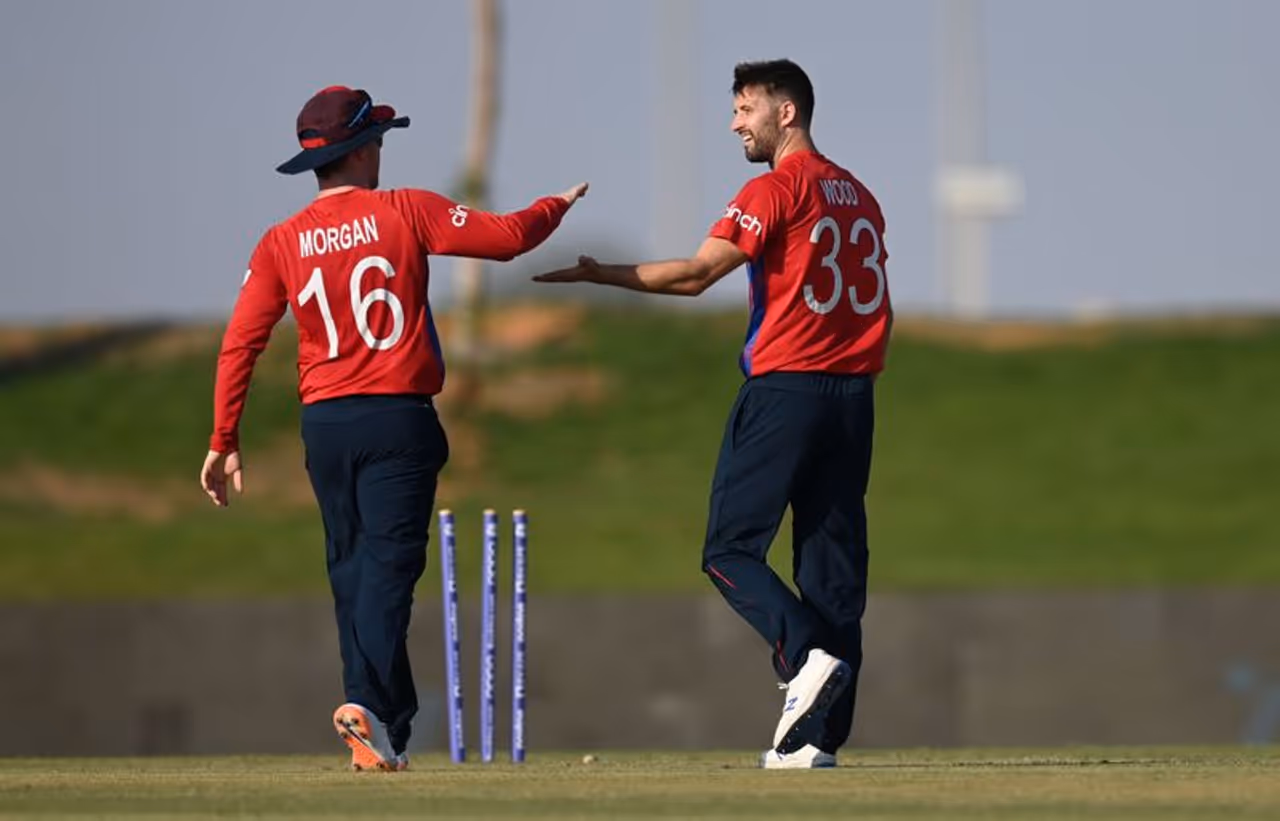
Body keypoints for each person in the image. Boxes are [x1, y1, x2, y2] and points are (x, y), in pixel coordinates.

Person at [199, 85, 587, 771]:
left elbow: (240, 343)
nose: (381, 149)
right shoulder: (404, 209)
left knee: (353, 572)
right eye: (377, 138)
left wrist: (222, 438)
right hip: (395, 419)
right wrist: (555, 204)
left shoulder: (281, 240)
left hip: (325, 425)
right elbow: (509, 239)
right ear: (361, 150)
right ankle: (366, 705)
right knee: (386, 573)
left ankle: (385, 731)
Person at [534, 59, 891, 769]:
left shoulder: (774, 188)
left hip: (786, 390)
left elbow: (698, 274)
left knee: (728, 550)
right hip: (854, 398)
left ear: (786, 112)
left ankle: (804, 660)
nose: (735, 124)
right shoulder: (861, 195)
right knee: (834, 573)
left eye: (745, 108)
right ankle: (815, 741)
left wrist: (601, 274)